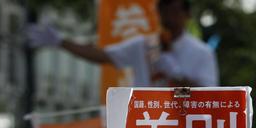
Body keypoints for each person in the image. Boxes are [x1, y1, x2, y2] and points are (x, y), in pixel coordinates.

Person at [27, 0, 218, 88]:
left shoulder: (201, 52)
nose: (169, 16)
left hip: (184, 126)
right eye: (164, 10)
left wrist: (177, 76)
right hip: (147, 123)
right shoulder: (144, 45)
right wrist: (61, 42)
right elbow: (102, 55)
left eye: (174, 10)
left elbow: (210, 95)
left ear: (187, 14)